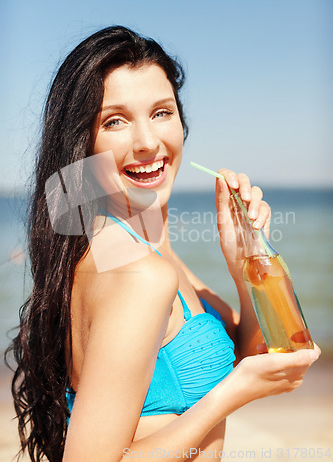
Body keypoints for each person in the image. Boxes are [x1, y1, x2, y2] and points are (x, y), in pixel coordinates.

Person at [7, 26, 320, 462]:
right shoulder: (137, 275)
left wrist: (243, 260)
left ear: (182, 123)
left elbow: (247, 351)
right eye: (115, 121)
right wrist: (233, 396)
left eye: (161, 112)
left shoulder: (142, 247)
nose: (148, 142)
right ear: (84, 144)